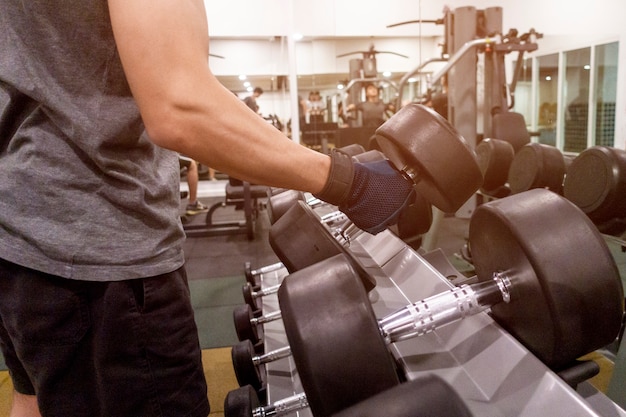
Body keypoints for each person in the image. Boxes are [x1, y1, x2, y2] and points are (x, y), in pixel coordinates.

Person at [0, 2, 415, 416]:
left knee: (35, 398)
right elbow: (181, 107)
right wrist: (351, 183)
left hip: (19, 238)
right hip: (100, 252)